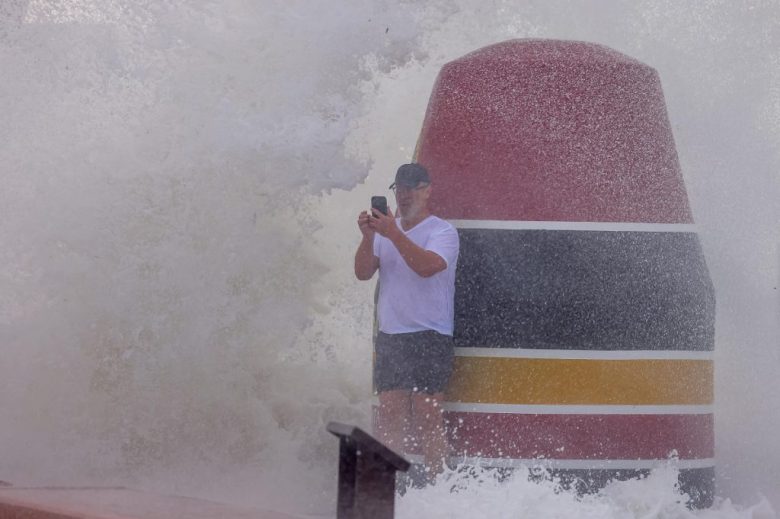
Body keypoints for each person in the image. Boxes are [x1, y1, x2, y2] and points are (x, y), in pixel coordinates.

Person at [353, 163, 460, 484]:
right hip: (391, 334)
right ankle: (387, 484)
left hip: (430, 333)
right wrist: (368, 236)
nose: (405, 194)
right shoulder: (385, 230)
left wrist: (393, 233)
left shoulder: (443, 231)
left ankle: (440, 485)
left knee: (428, 413)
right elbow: (362, 272)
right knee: (388, 414)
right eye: (399, 189)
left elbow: (427, 267)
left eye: (412, 188)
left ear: (428, 191)